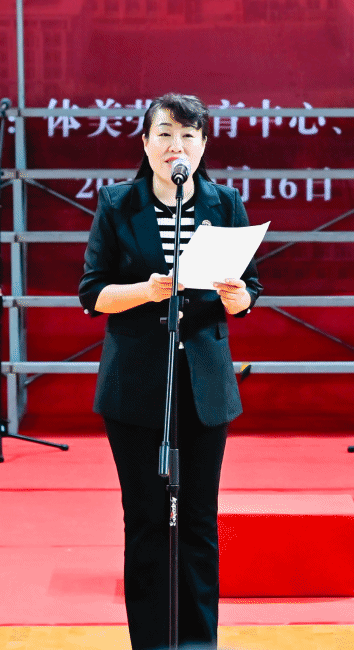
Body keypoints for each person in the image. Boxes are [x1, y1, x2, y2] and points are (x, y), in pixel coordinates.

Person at [78, 93, 259, 650]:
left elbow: (250, 291)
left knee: (200, 522)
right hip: (136, 387)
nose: (175, 146)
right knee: (147, 522)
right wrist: (148, 290)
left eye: (187, 136)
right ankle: (153, 644)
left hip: (203, 386)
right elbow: (92, 294)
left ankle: (199, 644)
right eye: (164, 134)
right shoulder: (117, 203)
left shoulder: (225, 203)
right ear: (145, 142)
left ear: (202, 145)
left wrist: (237, 298)